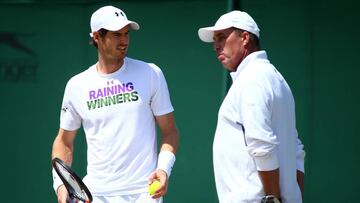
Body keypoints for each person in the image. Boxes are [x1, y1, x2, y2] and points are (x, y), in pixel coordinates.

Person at [51, 5, 179, 203]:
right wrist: (61, 186)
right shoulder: (77, 85)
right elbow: (63, 141)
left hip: (144, 194)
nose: (124, 41)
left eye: (126, 34)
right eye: (116, 35)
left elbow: (170, 132)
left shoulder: (151, 74)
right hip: (96, 195)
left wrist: (163, 168)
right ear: (97, 37)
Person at [198, 11, 305, 203]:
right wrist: (293, 197)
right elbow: (296, 151)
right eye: (215, 40)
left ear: (245, 38)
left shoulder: (252, 79)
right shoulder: (275, 78)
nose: (216, 46)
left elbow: (261, 143)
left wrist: (272, 199)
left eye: (222, 37)